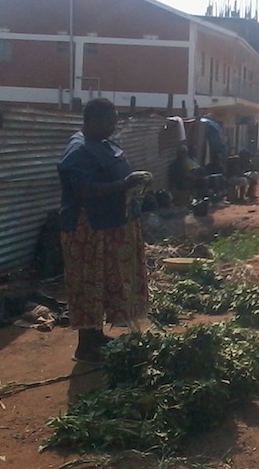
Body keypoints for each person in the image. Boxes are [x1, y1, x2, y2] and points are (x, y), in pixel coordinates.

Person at [57, 97, 151, 364]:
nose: (114, 125)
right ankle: (85, 347)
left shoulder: (104, 144)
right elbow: (84, 190)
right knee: (87, 285)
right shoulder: (78, 151)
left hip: (107, 226)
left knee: (101, 284)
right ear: (93, 120)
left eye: (115, 120)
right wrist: (124, 184)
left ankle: (96, 338)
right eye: (109, 120)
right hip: (86, 231)